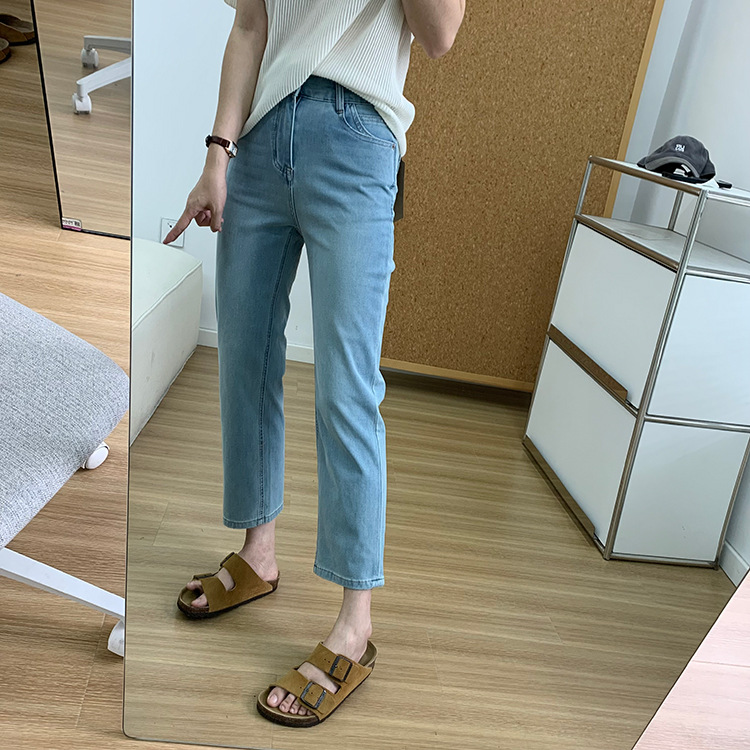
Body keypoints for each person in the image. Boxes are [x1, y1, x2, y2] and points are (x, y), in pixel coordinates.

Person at [165, 0, 465, 727]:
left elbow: (439, 35)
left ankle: (355, 626)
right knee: (244, 358)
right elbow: (251, 25)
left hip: (357, 140)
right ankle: (258, 554)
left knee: (346, 389)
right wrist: (216, 155)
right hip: (261, 137)